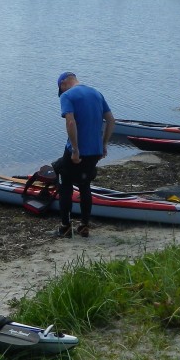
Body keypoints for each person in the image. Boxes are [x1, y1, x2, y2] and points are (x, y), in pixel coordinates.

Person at [55, 71, 115, 238]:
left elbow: (71, 121)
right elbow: (111, 120)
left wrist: (75, 149)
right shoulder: (96, 93)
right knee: (84, 184)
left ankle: (65, 227)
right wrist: (103, 144)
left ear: (63, 84)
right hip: (95, 151)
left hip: (78, 151)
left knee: (65, 184)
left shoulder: (67, 96)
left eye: (61, 89)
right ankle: (84, 226)